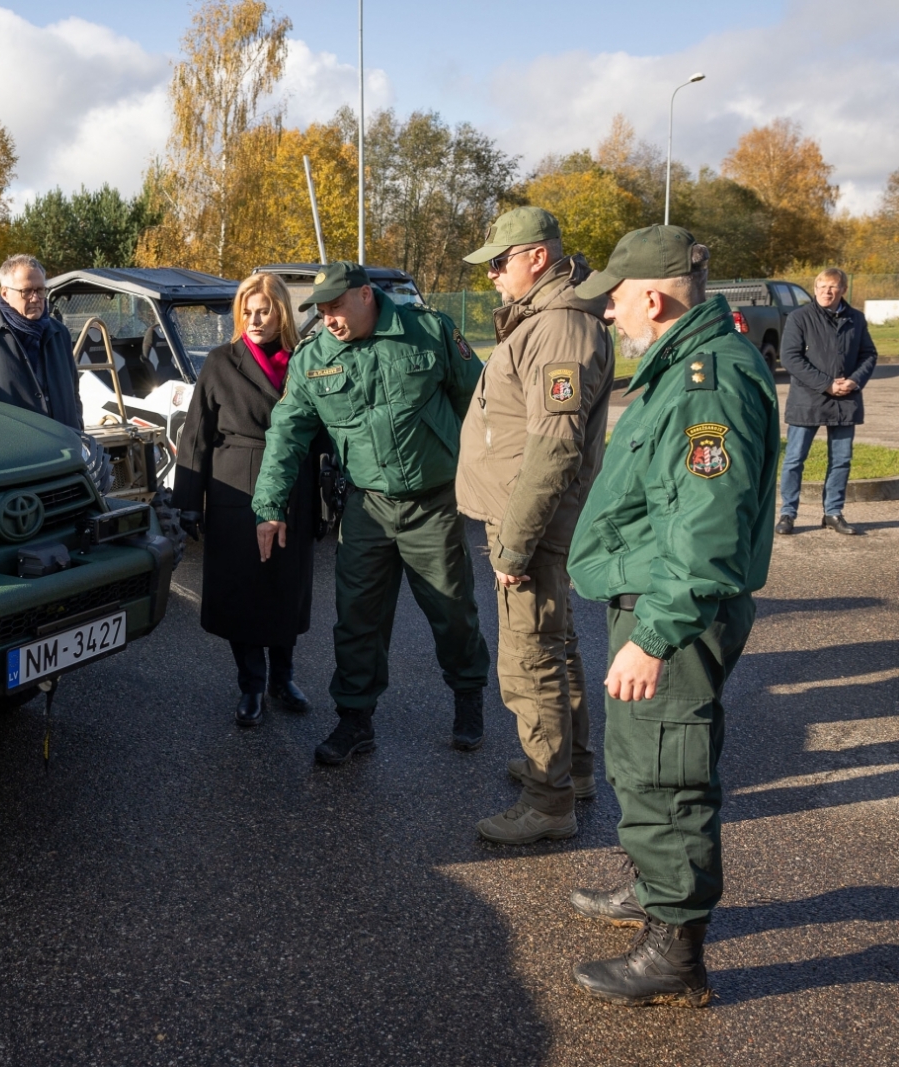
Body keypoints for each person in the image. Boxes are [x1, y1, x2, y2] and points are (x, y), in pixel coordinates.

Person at [567, 225, 777, 1007]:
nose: (610, 317)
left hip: (672, 610)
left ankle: (675, 949)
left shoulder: (705, 383)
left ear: (651, 298)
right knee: (640, 759)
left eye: (614, 302)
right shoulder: (686, 364)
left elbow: (709, 524)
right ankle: (650, 888)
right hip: (653, 594)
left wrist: (655, 633)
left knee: (669, 769)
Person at [252, 261, 490, 765]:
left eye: (337, 306)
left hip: (433, 504)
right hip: (366, 506)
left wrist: (487, 484)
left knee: (452, 612)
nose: (329, 318)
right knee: (356, 619)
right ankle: (355, 720)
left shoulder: (428, 331)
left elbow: (479, 401)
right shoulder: (314, 359)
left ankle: (468, 698)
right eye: (321, 310)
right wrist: (269, 505)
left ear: (366, 295)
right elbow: (286, 434)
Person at [454, 207, 615, 845]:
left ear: (537, 257)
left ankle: (548, 803)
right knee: (556, 643)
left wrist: (515, 542)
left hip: (532, 518)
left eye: (500, 261)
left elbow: (554, 449)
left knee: (531, 658)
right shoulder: (546, 321)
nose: (492, 275)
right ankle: (567, 770)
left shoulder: (560, 328)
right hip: (525, 511)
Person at [174, 273, 318, 727]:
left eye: (264, 311)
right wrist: (187, 502)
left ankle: (283, 678)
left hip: (293, 486)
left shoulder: (305, 361)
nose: (254, 320)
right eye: (247, 312)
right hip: (236, 487)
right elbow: (195, 434)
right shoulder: (220, 362)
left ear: (281, 313)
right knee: (245, 592)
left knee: (286, 589)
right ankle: (251, 685)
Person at [776, 266, 878, 536]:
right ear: (815, 288)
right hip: (807, 399)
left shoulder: (856, 318)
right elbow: (790, 358)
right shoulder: (799, 318)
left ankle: (833, 512)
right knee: (795, 459)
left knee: (841, 460)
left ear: (843, 289)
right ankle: (788, 513)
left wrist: (854, 380)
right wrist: (826, 384)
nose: (826, 291)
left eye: (832, 286)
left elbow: (869, 354)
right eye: (821, 286)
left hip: (846, 400)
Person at [0, 254, 81, 431]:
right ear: (5, 293)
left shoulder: (59, 333)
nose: (35, 298)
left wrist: (78, 428)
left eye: (40, 290)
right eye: (26, 291)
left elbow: (73, 392)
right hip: (12, 452)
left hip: (65, 447)